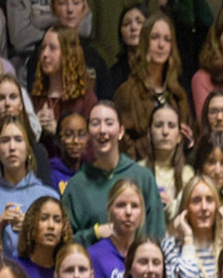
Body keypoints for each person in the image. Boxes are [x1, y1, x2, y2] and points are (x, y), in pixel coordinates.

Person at [63, 101, 165, 244]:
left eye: (109, 123)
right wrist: (95, 233)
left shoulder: (143, 177)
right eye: (95, 123)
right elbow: (66, 243)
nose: (102, 130)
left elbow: (157, 234)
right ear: (88, 133)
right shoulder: (76, 186)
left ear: (121, 131)